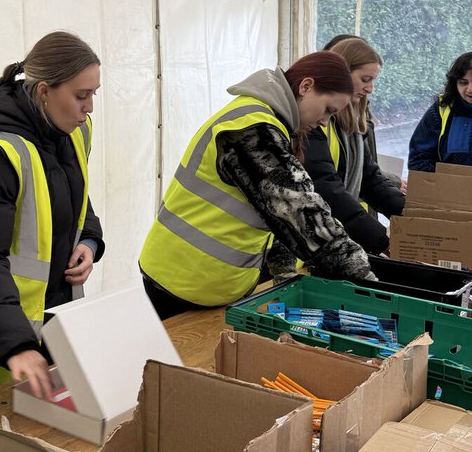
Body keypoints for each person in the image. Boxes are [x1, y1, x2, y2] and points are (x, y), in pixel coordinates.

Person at [0, 32, 104, 404]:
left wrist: (89, 242)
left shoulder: (72, 132)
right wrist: (17, 345)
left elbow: (74, 200)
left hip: (47, 326)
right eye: (81, 95)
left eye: (94, 93)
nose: (89, 107)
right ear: (44, 91)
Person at [139, 51, 376, 317]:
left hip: (206, 281)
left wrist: (284, 271)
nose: (324, 122)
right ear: (306, 86)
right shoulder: (250, 130)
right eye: (328, 110)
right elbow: (301, 214)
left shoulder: (268, 122)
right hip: (182, 280)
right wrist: (367, 281)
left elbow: (272, 215)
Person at [303, 37, 404, 254]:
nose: (370, 88)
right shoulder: (313, 122)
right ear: (342, 74)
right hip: (317, 242)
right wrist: (382, 240)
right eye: (365, 79)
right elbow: (327, 188)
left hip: (343, 234)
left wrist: (413, 213)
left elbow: (370, 177)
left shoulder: (352, 122)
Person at [408, 51, 472, 171]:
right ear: (455, 83)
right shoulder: (440, 110)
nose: (469, 89)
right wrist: (442, 183)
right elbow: (419, 158)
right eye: (463, 83)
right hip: (448, 187)